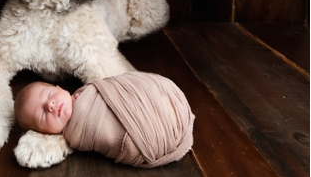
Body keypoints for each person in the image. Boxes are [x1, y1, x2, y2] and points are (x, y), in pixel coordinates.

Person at [14, 71, 194, 168]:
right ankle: (163, 124)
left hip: (163, 98)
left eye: (49, 95)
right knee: (133, 140)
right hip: (145, 140)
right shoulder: (74, 135)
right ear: (45, 132)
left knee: (150, 88)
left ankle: (167, 108)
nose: (51, 105)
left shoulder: (91, 91)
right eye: (43, 114)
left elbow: (119, 87)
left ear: (59, 87)